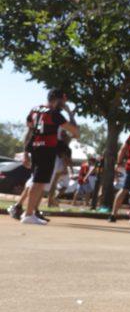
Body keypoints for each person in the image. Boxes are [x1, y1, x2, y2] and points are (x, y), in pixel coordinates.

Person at [12, 89, 80, 225]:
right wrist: (71, 115)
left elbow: (30, 130)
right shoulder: (54, 113)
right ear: (57, 99)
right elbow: (75, 131)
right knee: (38, 183)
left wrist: (26, 152)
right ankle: (28, 214)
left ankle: (29, 212)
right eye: (63, 100)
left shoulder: (35, 109)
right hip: (47, 149)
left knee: (37, 182)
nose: (64, 103)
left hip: (36, 148)